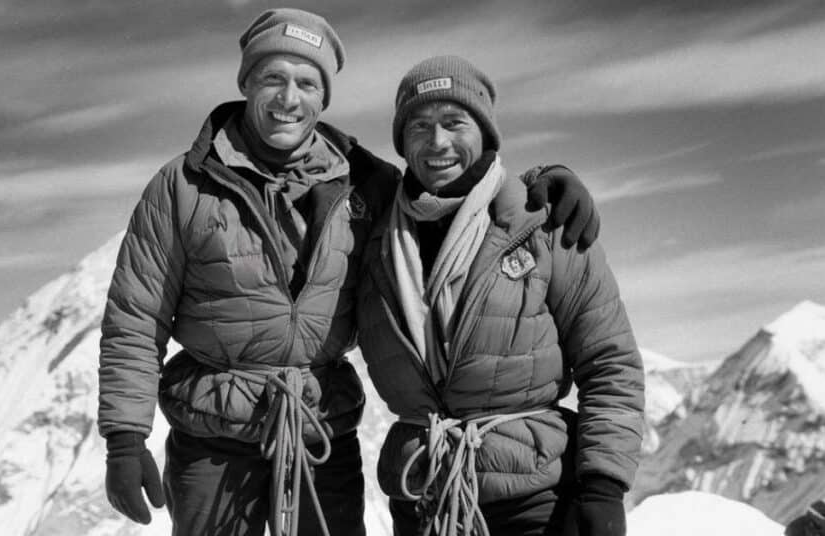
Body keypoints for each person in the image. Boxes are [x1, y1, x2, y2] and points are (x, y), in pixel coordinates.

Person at [97, 9, 600, 536]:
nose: (289, 99)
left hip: (321, 431)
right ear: (246, 82)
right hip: (213, 438)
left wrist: (544, 183)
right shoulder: (182, 186)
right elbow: (136, 316)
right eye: (273, 78)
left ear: (324, 97)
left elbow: (454, 192)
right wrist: (125, 437)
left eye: (307, 83)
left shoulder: (368, 183)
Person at [356, 55, 645, 536]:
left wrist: (603, 486)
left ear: (486, 134)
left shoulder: (544, 225)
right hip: (424, 498)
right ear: (402, 143)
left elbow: (609, 362)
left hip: (535, 502)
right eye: (420, 126)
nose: (438, 142)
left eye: (455, 122)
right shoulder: (374, 240)